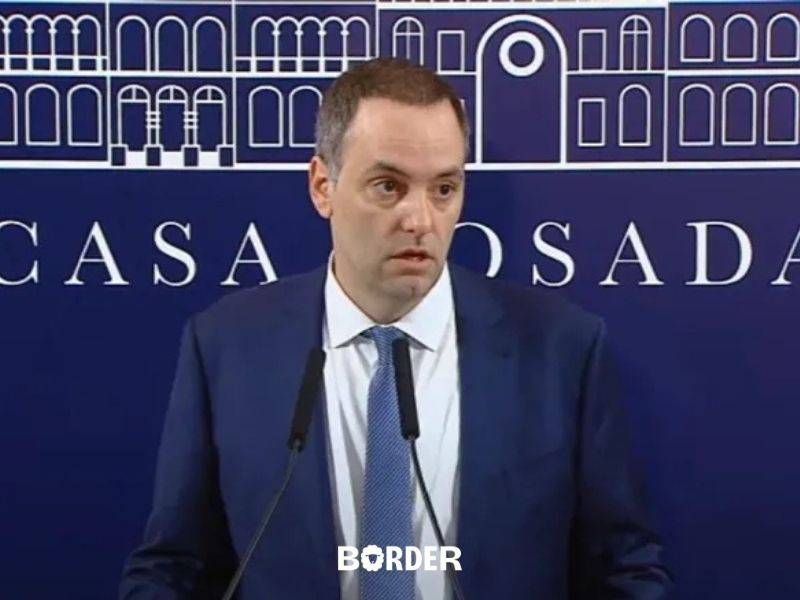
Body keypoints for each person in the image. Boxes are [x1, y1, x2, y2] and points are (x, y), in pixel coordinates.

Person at [119, 58, 673, 599]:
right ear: (322, 186)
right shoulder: (228, 347)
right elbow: (175, 569)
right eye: (388, 186)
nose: (420, 219)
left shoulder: (561, 348)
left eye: (444, 189)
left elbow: (623, 569)